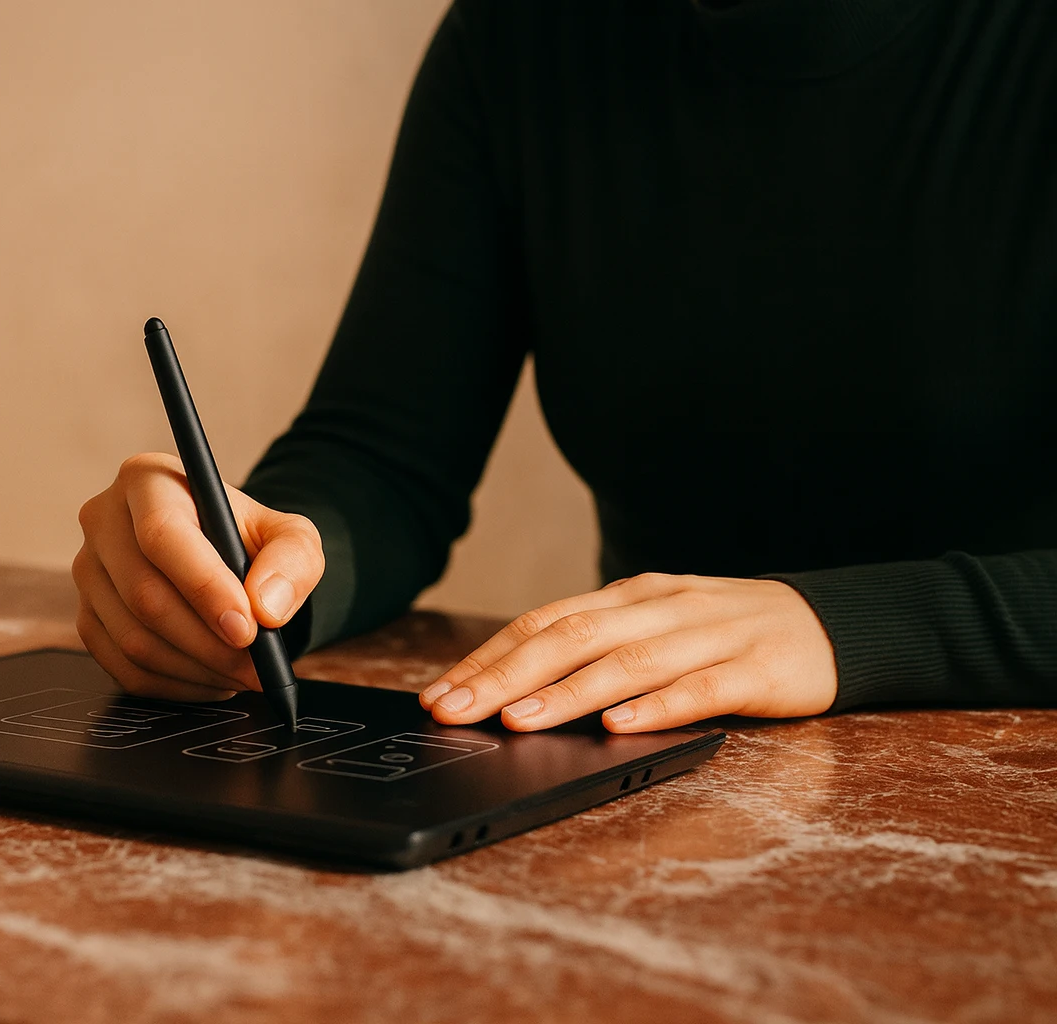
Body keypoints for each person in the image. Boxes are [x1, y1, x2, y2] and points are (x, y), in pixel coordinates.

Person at [72, 0, 1057, 734]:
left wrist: (839, 626)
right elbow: (384, 460)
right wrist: (253, 574)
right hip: (643, 782)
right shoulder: (522, 33)